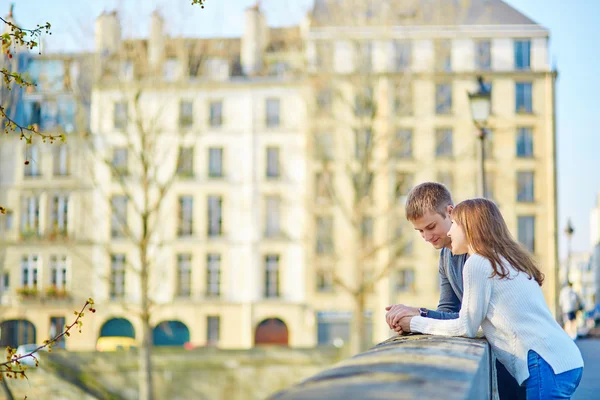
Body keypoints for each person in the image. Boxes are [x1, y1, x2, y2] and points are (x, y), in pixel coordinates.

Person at [394, 198, 584, 399]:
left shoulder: (477, 263)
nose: (450, 232)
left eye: (455, 225)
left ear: (470, 228)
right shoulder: (504, 259)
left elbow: (465, 327)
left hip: (545, 365)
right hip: (563, 360)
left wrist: (415, 322)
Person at [384, 182, 524, 399]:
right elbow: (449, 310)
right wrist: (414, 318)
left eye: (431, 227)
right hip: (503, 356)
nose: (427, 237)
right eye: (420, 231)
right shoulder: (445, 257)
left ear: (450, 212)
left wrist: (417, 316)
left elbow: (468, 321)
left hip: (518, 353)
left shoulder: (478, 254)